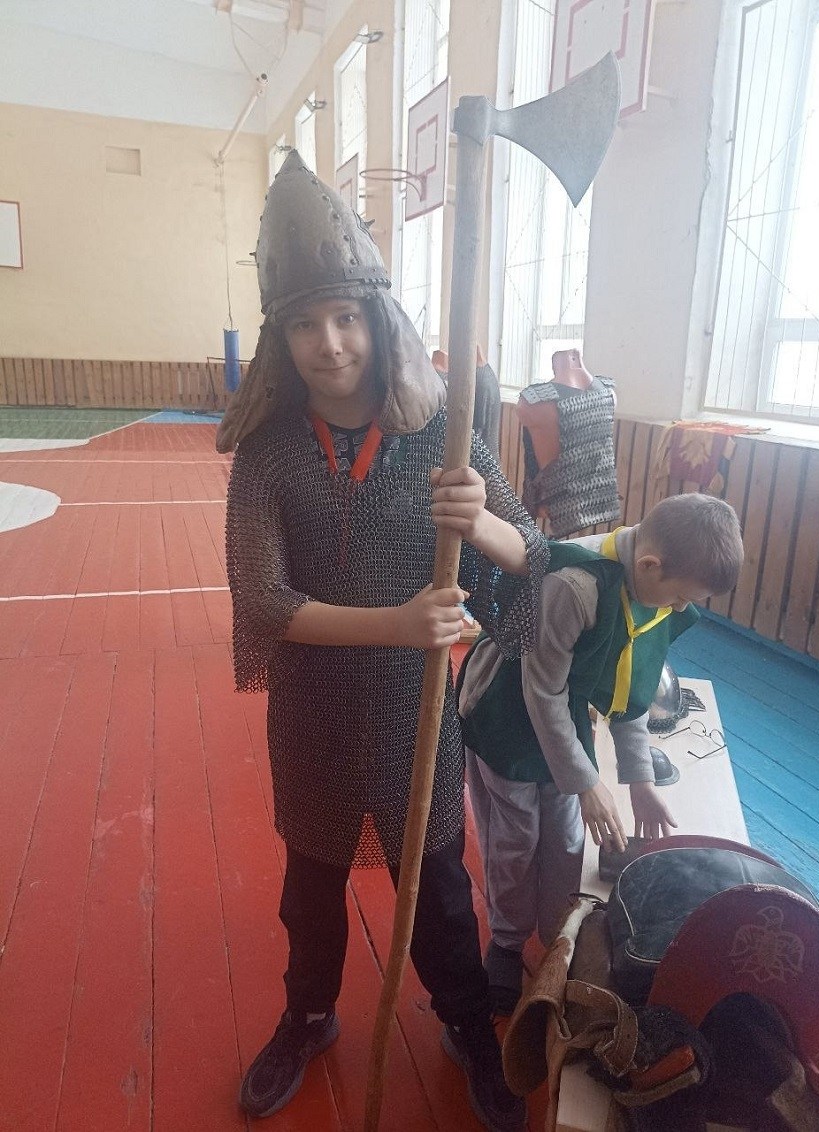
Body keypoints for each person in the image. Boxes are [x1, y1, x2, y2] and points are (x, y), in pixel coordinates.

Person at [216, 150, 548, 1132]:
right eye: (305, 324)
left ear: (378, 319)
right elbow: (263, 600)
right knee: (311, 892)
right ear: (280, 336)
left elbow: (529, 553)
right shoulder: (270, 453)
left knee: (440, 892)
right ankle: (308, 1015)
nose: (329, 344)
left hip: (416, 718)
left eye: (346, 318)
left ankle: (468, 1025)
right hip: (315, 717)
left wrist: (480, 519)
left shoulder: (442, 432)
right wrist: (399, 625)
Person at [457, 493, 744, 1014]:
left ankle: (556, 935)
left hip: (563, 718)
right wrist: (588, 783)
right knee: (515, 841)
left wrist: (640, 782)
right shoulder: (576, 585)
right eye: (682, 596)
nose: (683, 607)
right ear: (651, 566)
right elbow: (541, 691)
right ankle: (507, 941)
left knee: (566, 837)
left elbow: (630, 690)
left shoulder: (654, 591)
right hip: (506, 716)